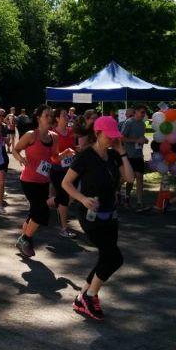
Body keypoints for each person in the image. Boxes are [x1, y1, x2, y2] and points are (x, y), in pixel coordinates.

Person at [62, 116, 134, 321]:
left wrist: (122, 152)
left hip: (111, 216)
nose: (112, 139)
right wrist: (82, 198)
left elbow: (129, 178)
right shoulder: (85, 156)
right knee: (114, 258)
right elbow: (67, 183)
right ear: (98, 133)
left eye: (115, 136)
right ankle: (91, 296)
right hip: (91, 217)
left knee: (105, 257)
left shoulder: (113, 155)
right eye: (109, 136)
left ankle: (81, 297)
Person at [13, 104, 57, 257]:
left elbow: (54, 158)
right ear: (38, 118)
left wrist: (68, 154)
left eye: (51, 115)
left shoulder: (54, 136)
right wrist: (21, 158)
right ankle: (25, 238)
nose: (50, 118)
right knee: (41, 212)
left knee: (34, 213)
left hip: (43, 181)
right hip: (29, 180)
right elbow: (15, 149)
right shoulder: (31, 135)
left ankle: (25, 240)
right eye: (47, 115)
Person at [48, 108, 77, 238]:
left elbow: (72, 148)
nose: (67, 117)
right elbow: (53, 157)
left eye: (67, 115)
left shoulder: (71, 132)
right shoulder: (53, 134)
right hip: (57, 169)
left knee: (67, 196)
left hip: (70, 169)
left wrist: (77, 149)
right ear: (57, 119)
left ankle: (42, 206)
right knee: (64, 197)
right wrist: (66, 153)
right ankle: (64, 228)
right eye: (64, 115)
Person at [121, 104, 149, 209]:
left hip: (138, 155)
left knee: (139, 178)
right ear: (136, 112)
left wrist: (144, 140)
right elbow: (122, 138)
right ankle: (118, 193)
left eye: (144, 113)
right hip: (129, 155)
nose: (143, 114)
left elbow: (141, 136)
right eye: (142, 112)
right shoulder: (129, 123)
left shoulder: (142, 124)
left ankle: (139, 202)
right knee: (127, 179)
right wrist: (136, 140)